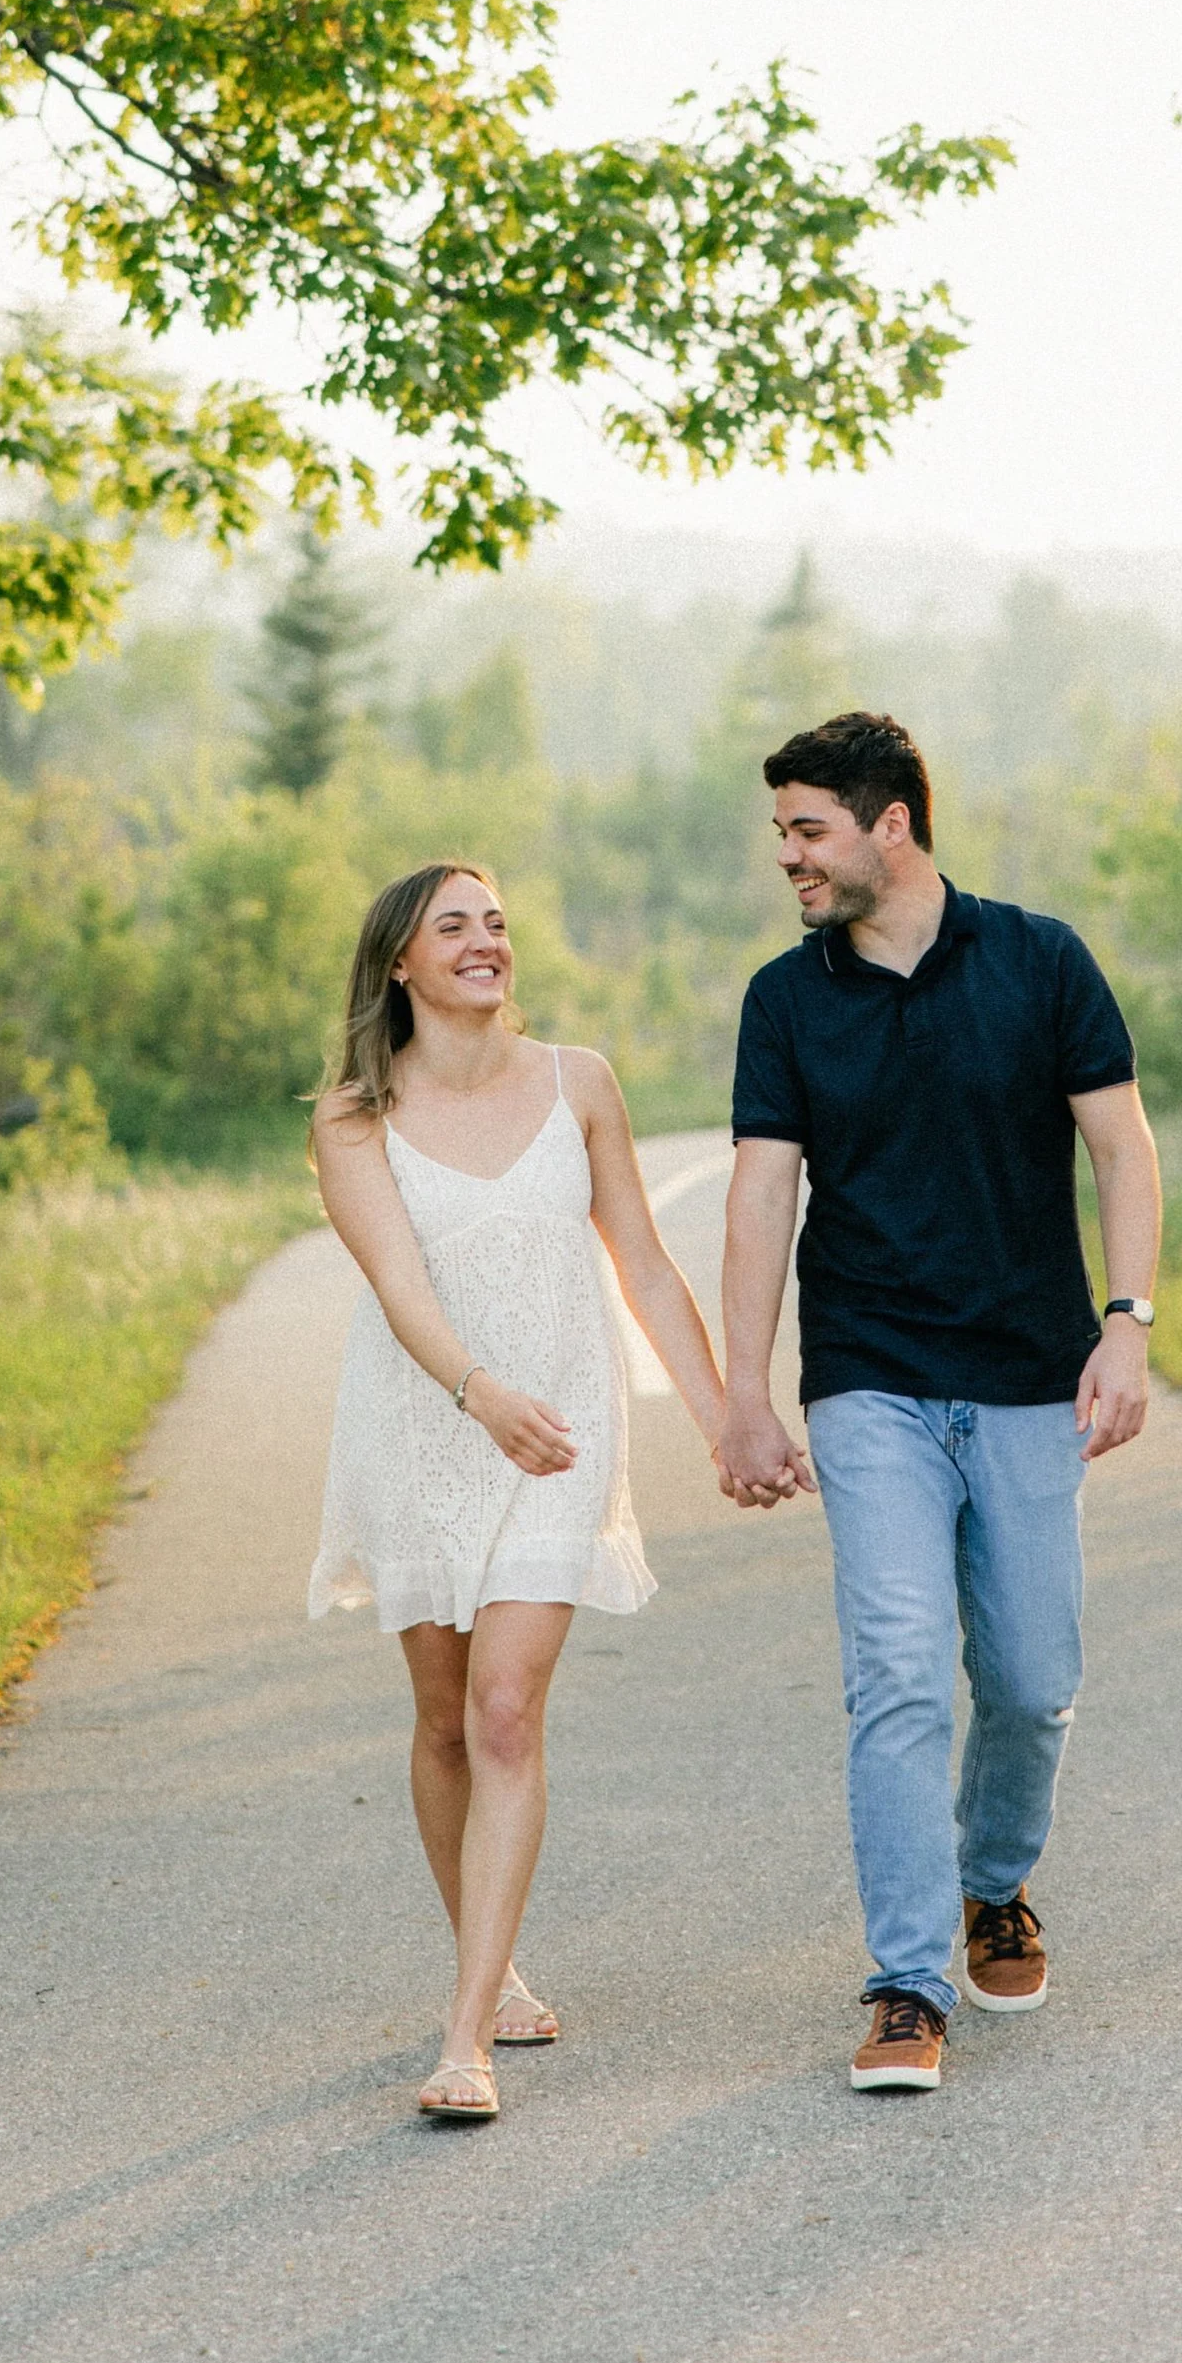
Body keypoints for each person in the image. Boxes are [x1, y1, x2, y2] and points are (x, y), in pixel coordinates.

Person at [715, 713, 1162, 2093]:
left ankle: (995, 1881)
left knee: (1031, 1678)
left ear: (888, 823)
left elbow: (1121, 1145)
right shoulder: (785, 1002)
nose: (786, 852)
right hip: (871, 1381)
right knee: (899, 1666)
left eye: (807, 827)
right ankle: (906, 1980)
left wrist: (1127, 1323)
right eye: (781, 829)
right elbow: (757, 1198)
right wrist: (743, 1389)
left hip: (1029, 1377)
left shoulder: (1039, 959)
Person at [309, 858, 728, 2123]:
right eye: (455, 927)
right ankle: (492, 1974)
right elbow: (399, 1288)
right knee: (442, 1721)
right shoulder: (351, 1117)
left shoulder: (579, 1082)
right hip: (427, 1429)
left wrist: (726, 1420)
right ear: (401, 964)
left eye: (496, 922)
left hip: (561, 1429)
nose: (486, 941)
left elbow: (645, 1269)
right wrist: (478, 1395)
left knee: (502, 1710)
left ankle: (461, 2040)